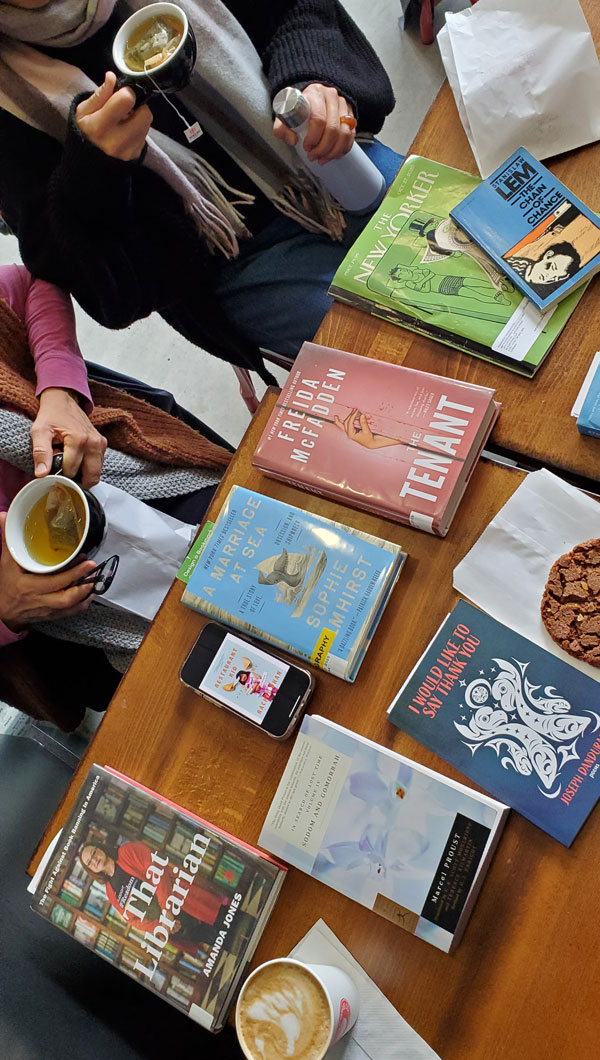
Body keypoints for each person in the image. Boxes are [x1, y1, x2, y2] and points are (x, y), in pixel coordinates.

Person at [0, 1, 399, 382]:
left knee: (453, 245)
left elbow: (295, 10)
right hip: (234, 264)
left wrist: (312, 78)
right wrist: (92, 172)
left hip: (328, 161)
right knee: (397, 349)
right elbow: (95, 283)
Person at [0, 262, 232, 729]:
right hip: (71, 616)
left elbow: (30, 283)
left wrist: (60, 390)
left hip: (132, 479)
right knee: (209, 685)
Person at [80, 840, 229, 951]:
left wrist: (167, 911)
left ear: (100, 847)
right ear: (90, 870)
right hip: (178, 927)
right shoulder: (110, 892)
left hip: (187, 901)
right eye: (89, 862)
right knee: (226, 945)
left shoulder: (127, 851)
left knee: (232, 924)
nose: (94, 860)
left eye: (94, 853)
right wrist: (162, 925)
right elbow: (133, 921)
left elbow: (158, 872)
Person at [504, 242, 581, 298]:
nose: (548, 277)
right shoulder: (513, 264)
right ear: (548, 255)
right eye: (551, 267)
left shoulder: (546, 294)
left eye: (555, 278)